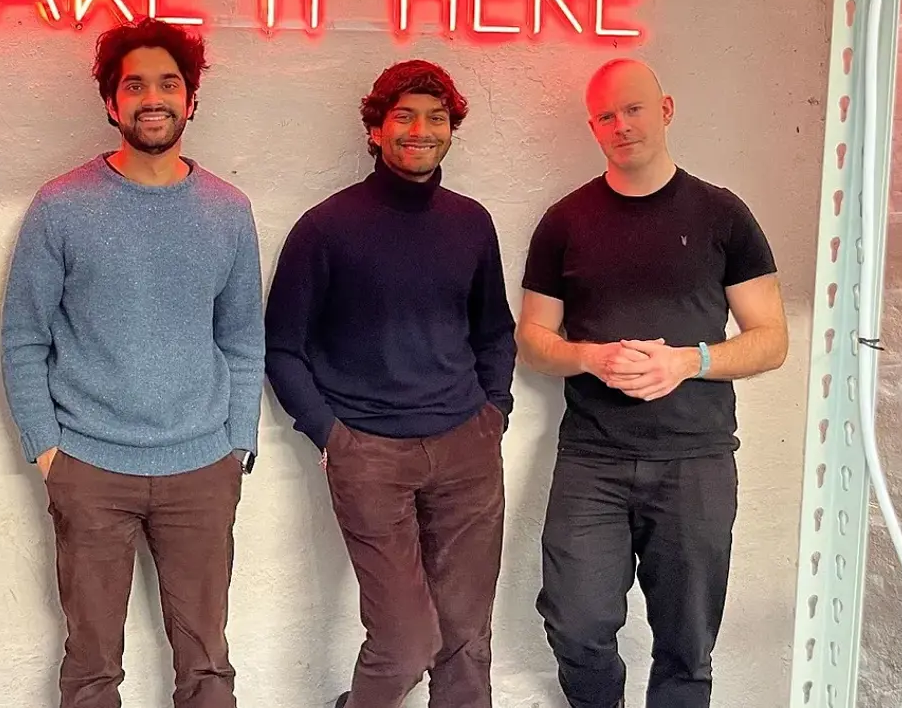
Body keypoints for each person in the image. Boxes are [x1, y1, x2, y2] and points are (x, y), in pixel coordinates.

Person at [0, 16, 265, 708]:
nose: (153, 98)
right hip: (91, 470)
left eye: (169, 83)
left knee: (207, 666)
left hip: (202, 469)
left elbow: (242, 337)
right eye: (135, 85)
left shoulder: (229, 212)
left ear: (192, 98)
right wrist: (48, 451)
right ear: (112, 103)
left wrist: (237, 443)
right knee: (91, 668)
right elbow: (24, 337)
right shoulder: (60, 207)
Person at [516, 58, 788, 708]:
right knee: (575, 622)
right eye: (606, 116)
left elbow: (771, 338)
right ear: (592, 128)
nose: (621, 125)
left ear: (665, 111)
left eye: (633, 109)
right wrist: (590, 358)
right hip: (593, 460)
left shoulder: (724, 216)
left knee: (687, 644)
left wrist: (686, 362)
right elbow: (532, 338)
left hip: (696, 457)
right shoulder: (565, 222)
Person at [264, 59, 516, 708]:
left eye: (437, 118)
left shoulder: (471, 223)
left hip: (467, 448)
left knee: (467, 642)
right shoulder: (326, 228)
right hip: (369, 455)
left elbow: (494, 330)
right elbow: (283, 348)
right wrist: (331, 436)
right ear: (376, 129)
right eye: (404, 115)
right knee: (405, 642)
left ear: (452, 130)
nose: (421, 130)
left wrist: (495, 411)